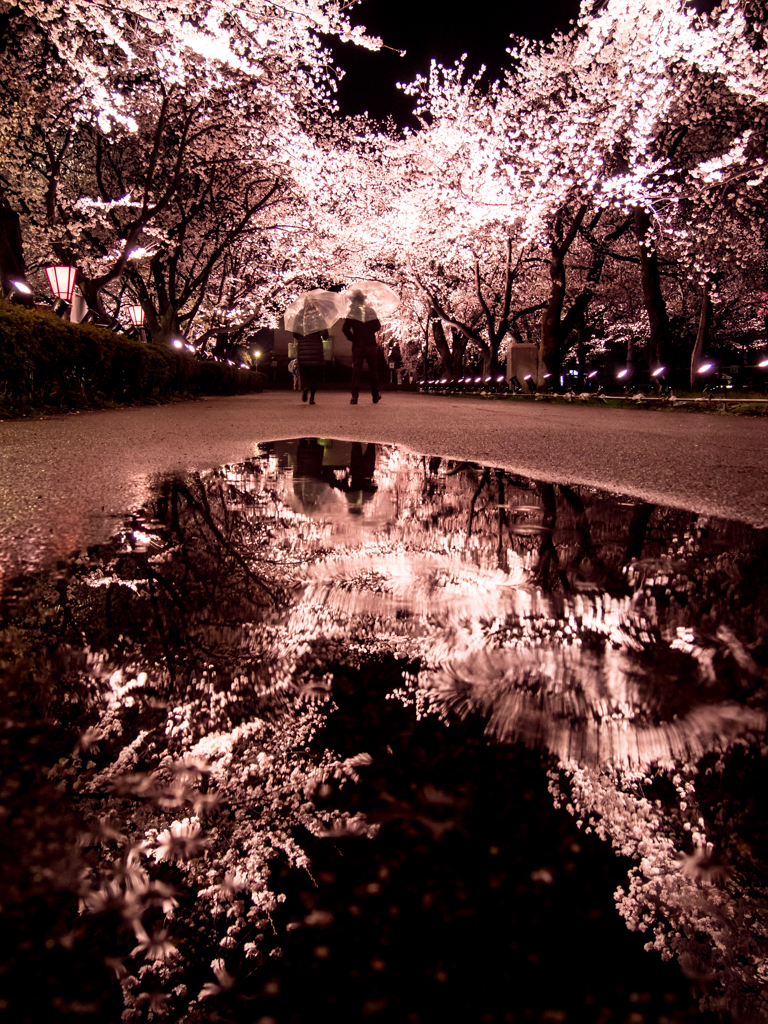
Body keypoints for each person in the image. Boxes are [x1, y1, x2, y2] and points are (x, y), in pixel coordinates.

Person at [342, 290, 381, 405]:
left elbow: (345, 329)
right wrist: (369, 331)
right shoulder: (370, 311)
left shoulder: (352, 313)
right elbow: (377, 326)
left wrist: (353, 338)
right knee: (373, 371)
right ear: (364, 299)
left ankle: (354, 396)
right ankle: (375, 395)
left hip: (358, 345)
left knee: (356, 371)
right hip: (370, 344)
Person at [294, 329, 325, 404]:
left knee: (303, 374)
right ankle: (312, 398)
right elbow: (325, 335)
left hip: (303, 350)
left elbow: (295, 334)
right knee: (314, 377)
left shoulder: (300, 319)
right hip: (316, 352)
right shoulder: (319, 319)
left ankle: (305, 387)